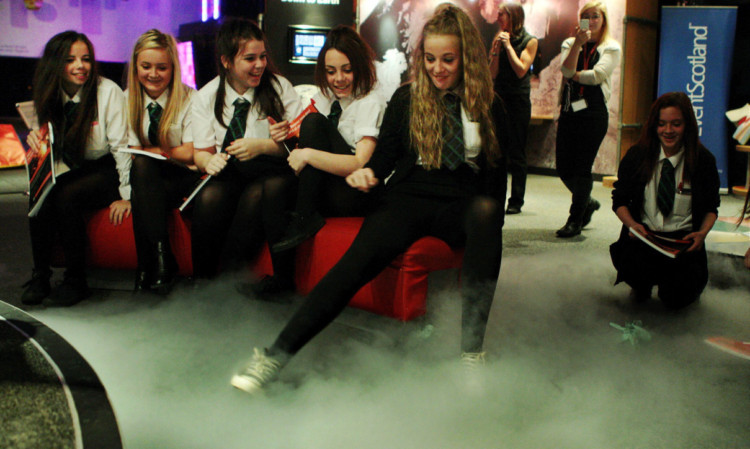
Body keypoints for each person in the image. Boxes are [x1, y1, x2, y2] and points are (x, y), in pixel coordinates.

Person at [230, 4, 508, 394]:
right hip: (407, 199)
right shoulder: (408, 99)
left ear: (467, 58)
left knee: (487, 211)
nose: (437, 68)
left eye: (448, 59)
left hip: (460, 204)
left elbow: (496, 174)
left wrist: (490, 229)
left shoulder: (489, 104)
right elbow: (383, 158)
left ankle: (471, 354)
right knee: (350, 268)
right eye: (429, 59)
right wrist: (368, 172)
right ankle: (275, 355)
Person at [190, 18, 302, 294]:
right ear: (227, 61)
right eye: (250, 58)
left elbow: (299, 148)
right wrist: (208, 161)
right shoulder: (206, 96)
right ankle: (202, 280)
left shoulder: (279, 88)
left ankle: (227, 280)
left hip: (272, 168)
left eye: (263, 57)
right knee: (209, 196)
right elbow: (200, 154)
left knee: (257, 194)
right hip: (230, 170)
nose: (260, 65)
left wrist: (262, 146)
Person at [21, 31, 131, 307]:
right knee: (41, 194)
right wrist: (35, 143)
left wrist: (127, 193)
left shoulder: (108, 92)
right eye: (71, 60)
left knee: (67, 195)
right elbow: (47, 144)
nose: (80, 66)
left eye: (86, 59)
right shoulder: (48, 92)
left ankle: (76, 279)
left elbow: (121, 148)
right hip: (70, 166)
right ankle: (41, 275)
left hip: (107, 169)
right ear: (56, 63)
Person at [272, 25, 386, 253]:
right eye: (331, 71)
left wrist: (308, 155)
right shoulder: (323, 98)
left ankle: (304, 215)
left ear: (360, 67)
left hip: (356, 191)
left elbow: (359, 163)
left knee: (314, 123)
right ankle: (281, 280)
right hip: (324, 185)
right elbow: (301, 143)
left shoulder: (370, 101)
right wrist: (283, 138)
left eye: (347, 70)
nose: (339, 79)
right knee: (272, 189)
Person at [610, 91, 720, 309]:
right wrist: (632, 225)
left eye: (676, 124)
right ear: (654, 126)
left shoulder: (703, 161)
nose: (668, 131)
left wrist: (702, 233)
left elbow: (711, 207)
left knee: (676, 302)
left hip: (683, 244)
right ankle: (641, 283)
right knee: (637, 301)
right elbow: (619, 200)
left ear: (687, 125)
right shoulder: (637, 156)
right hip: (644, 238)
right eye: (662, 124)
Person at [126, 29, 201, 295]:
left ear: (173, 68)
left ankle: (148, 265)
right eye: (146, 66)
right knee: (142, 171)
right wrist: (167, 150)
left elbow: (191, 152)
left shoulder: (190, 98)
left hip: (185, 178)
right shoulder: (128, 100)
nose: (153, 74)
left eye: (162, 67)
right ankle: (159, 258)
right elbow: (131, 153)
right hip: (150, 179)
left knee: (144, 172)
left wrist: (155, 149)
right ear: (135, 66)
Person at [555, 1, 621, 237]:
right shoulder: (569, 43)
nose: (591, 21)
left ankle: (575, 219)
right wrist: (577, 46)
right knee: (563, 167)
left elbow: (597, 76)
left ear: (603, 20)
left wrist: (574, 74)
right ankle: (588, 201)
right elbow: (565, 71)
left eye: (595, 16)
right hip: (569, 110)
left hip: (593, 113)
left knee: (582, 167)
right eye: (586, 17)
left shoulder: (611, 48)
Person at [488, 1, 538, 215]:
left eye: (502, 14)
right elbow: (492, 74)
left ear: (514, 16)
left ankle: (516, 200)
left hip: (518, 100)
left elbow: (521, 70)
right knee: (496, 151)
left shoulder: (530, 41)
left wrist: (508, 47)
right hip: (499, 98)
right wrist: (497, 51)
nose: (498, 18)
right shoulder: (497, 37)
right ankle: (496, 195)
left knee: (517, 152)